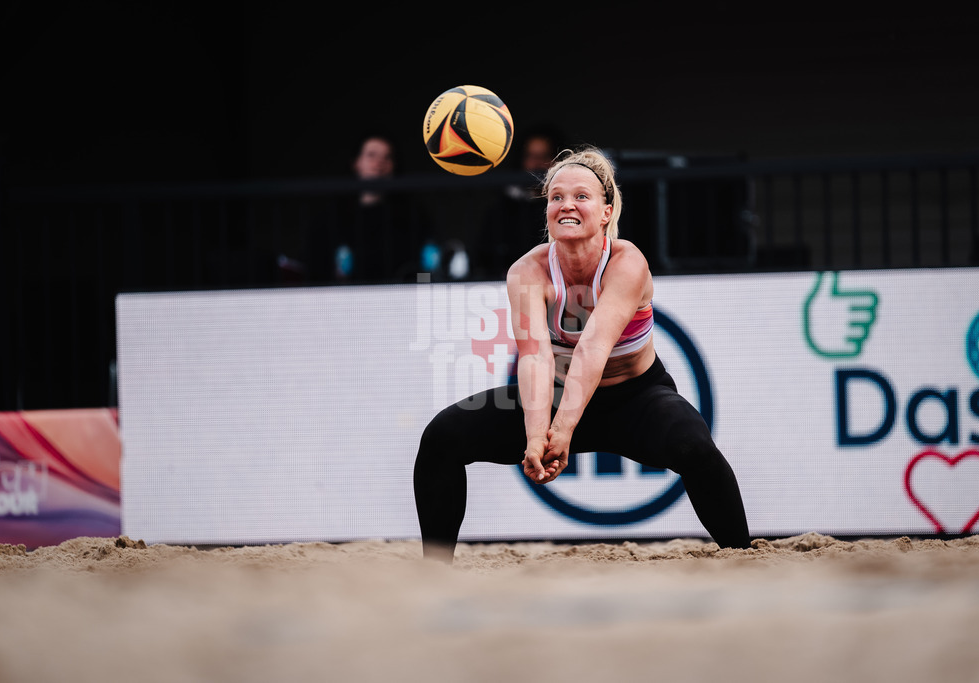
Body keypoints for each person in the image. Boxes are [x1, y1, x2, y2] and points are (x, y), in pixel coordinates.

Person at [413, 147, 750, 562]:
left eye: (581, 196)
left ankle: (744, 557)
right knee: (442, 437)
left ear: (606, 213)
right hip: (556, 396)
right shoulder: (527, 271)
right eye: (556, 197)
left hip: (635, 398)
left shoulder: (627, 262)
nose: (566, 204)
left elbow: (592, 349)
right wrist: (537, 435)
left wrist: (564, 431)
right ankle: (434, 572)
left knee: (696, 448)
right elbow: (535, 357)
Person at [306, 134, 432, 284]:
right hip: (346, 302)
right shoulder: (332, 218)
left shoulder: (411, 216)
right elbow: (315, 269)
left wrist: (422, 292)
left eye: (387, 157)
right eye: (371, 155)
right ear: (355, 163)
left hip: (400, 301)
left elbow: (426, 266)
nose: (379, 163)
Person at [473, 125, 563, 280]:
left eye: (544, 156)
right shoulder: (500, 211)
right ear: (521, 160)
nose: (537, 164)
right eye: (531, 156)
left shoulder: (565, 209)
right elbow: (482, 259)